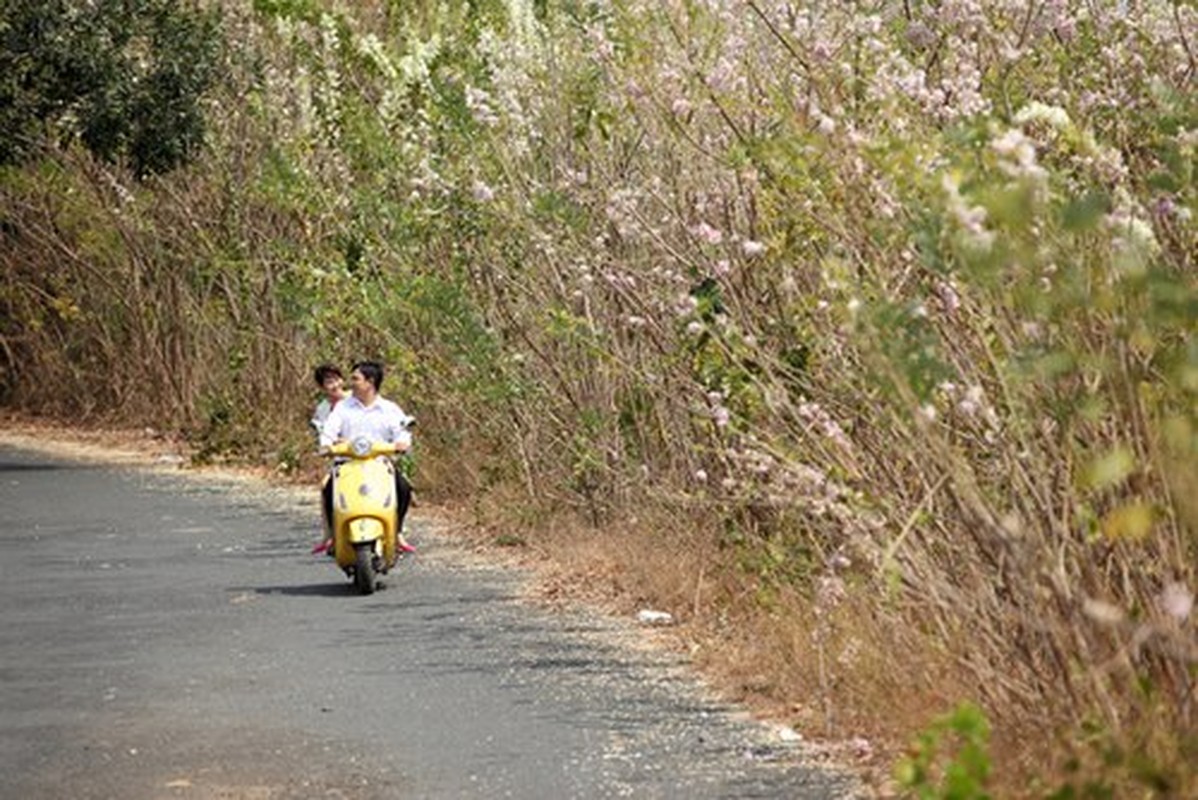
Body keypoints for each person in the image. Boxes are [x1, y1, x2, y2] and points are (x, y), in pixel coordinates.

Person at [312, 360, 416, 556]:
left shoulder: (389, 409)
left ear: (370, 381)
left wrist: (402, 443)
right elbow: (329, 430)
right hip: (347, 464)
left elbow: (402, 431)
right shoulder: (342, 408)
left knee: (403, 487)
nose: (352, 383)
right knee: (329, 491)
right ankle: (335, 535)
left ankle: (397, 531)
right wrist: (326, 444)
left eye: (356, 379)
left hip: (380, 464)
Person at [310, 364, 350, 438]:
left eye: (337, 379)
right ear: (322, 387)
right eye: (330, 382)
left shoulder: (356, 398)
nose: (336, 385)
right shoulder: (322, 409)